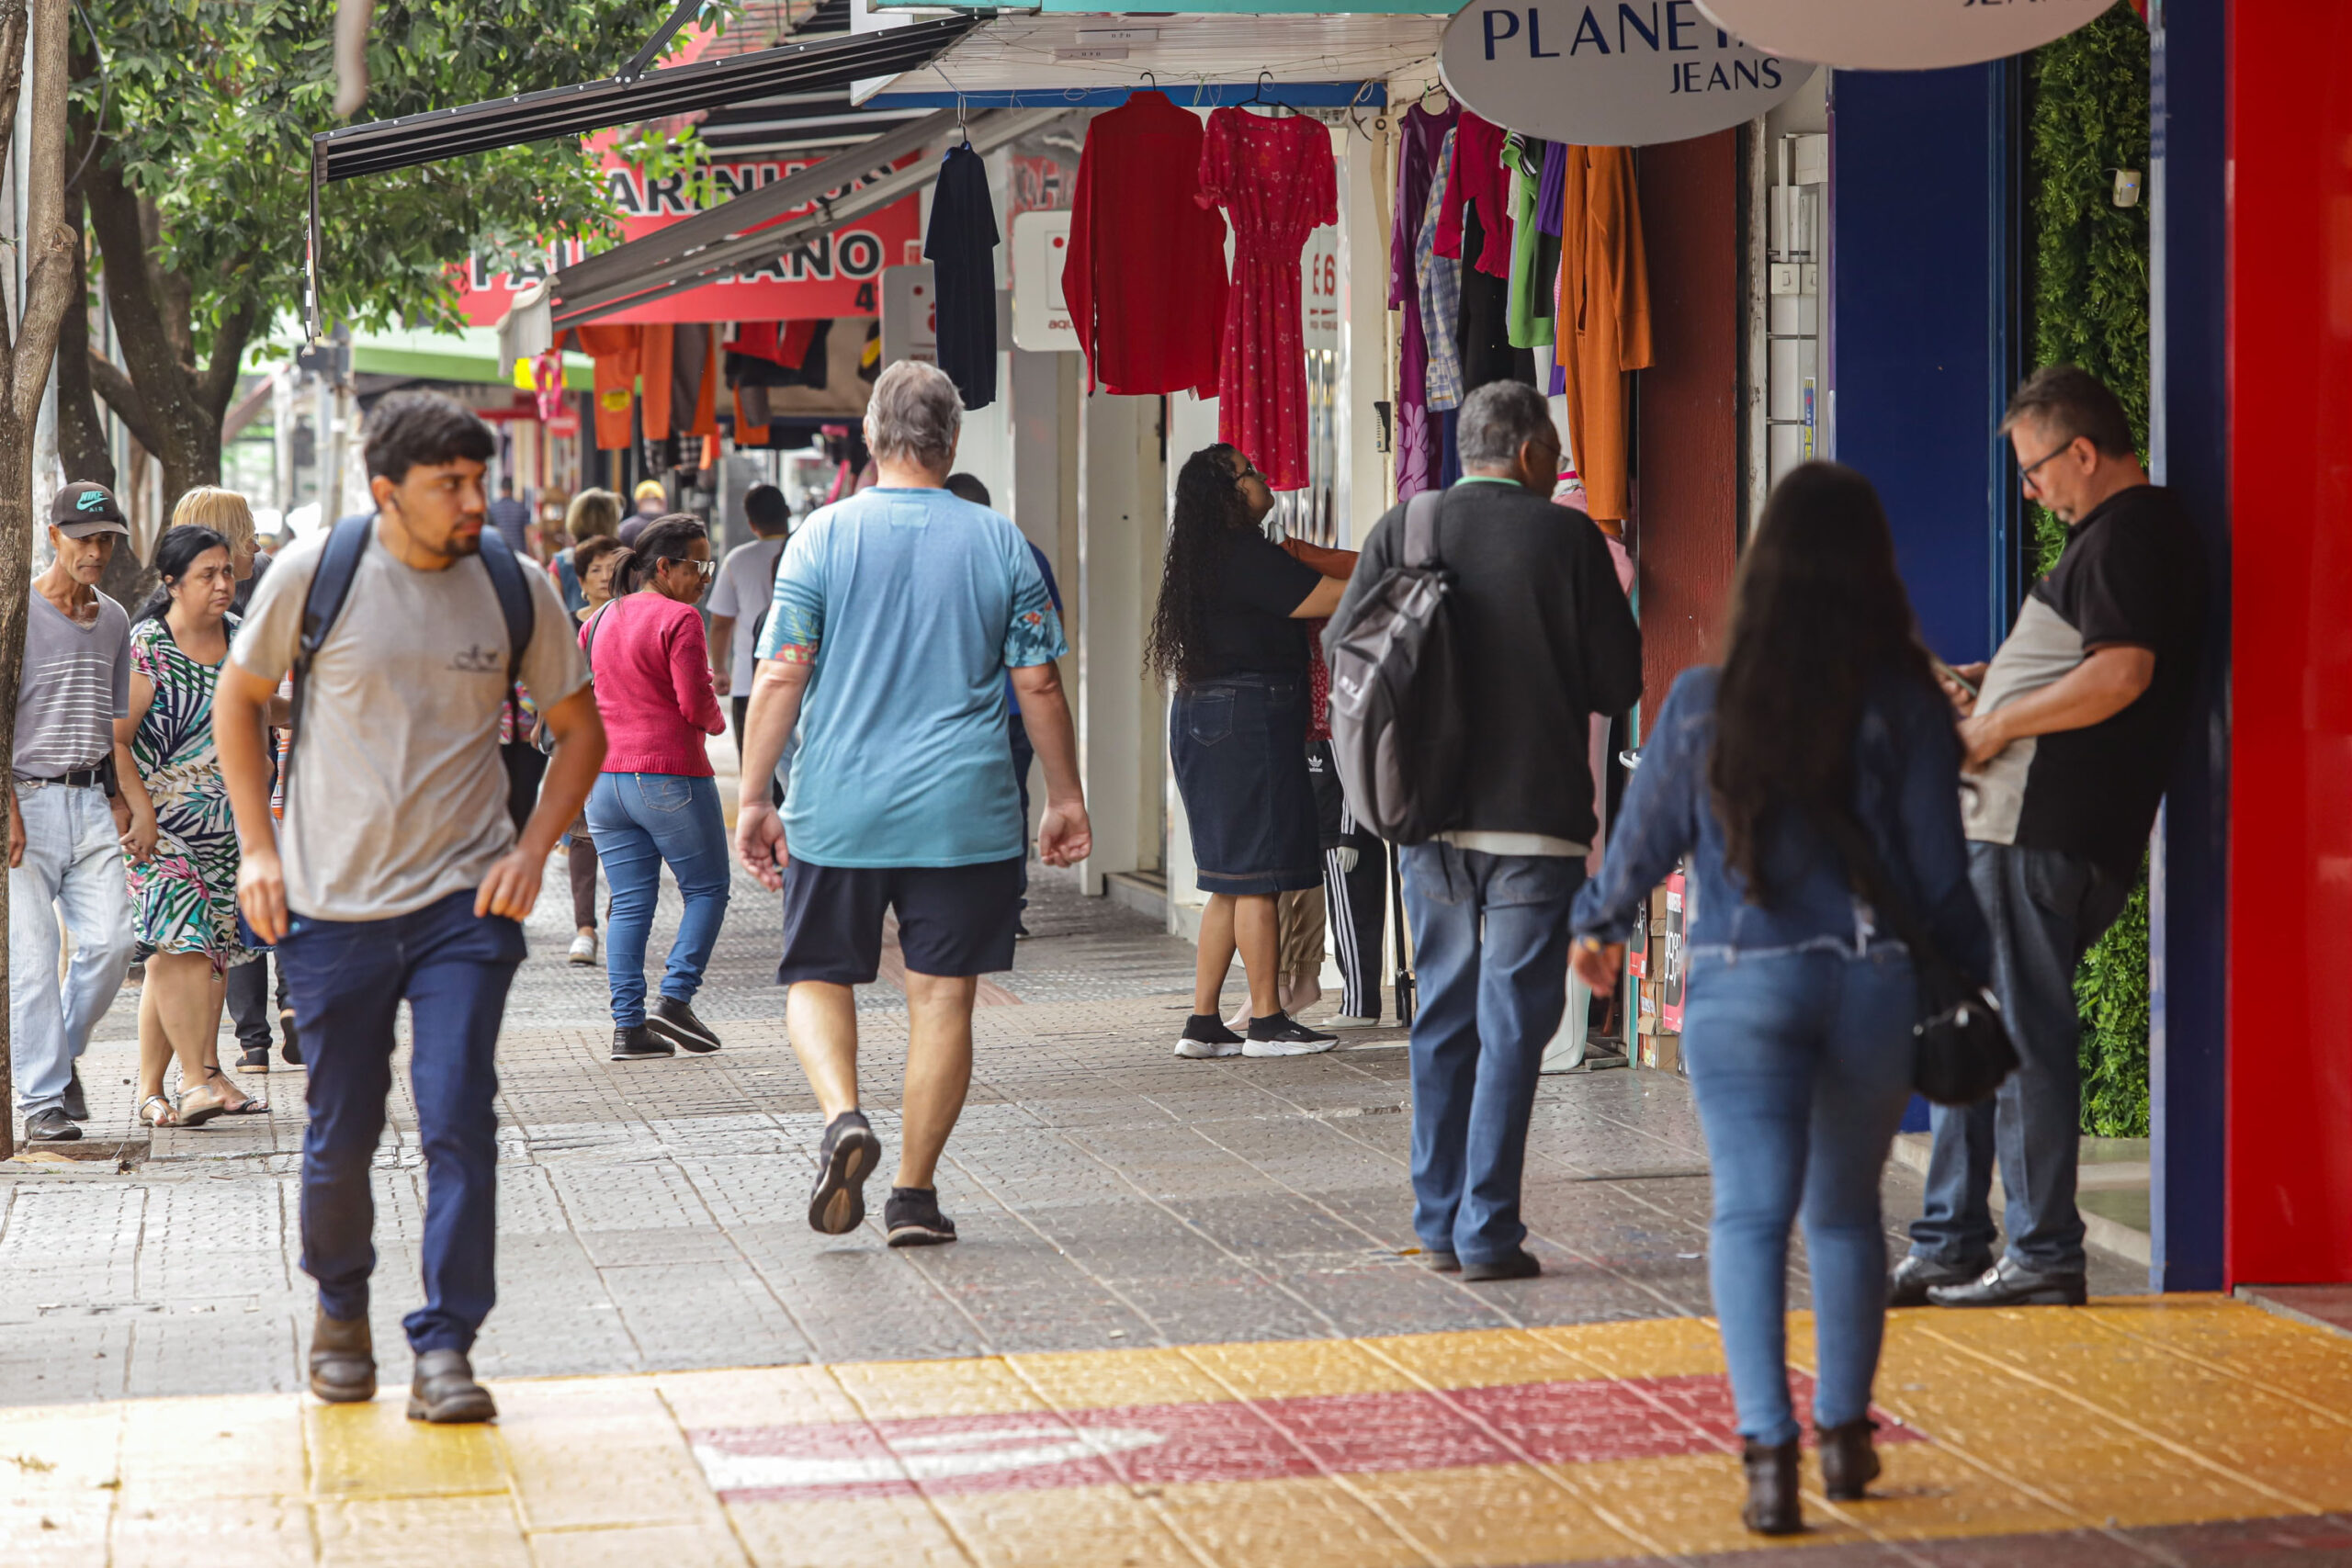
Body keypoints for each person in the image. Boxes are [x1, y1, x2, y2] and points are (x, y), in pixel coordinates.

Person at [1566, 463, 1988, 1535]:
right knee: (1844, 1214)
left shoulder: (1704, 702)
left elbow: (1641, 841)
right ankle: (1844, 1440)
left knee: (1750, 1214)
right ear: (1874, 571)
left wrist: (1598, 926)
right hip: (1869, 984)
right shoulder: (1904, 703)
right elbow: (1942, 880)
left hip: (1740, 984)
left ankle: (1767, 1458)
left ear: (1760, 572)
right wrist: (1976, 980)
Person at [218, 390, 603, 1423]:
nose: (475, 501)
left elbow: (580, 730)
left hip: (462, 908)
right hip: (329, 906)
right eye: (451, 485)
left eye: (480, 480)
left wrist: (532, 848)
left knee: (459, 1116)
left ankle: (446, 1344)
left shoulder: (515, 586)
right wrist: (258, 850)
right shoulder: (317, 573)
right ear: (388, 492)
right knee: (342, 1128)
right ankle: (341, 1308)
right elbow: (238, 702)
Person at [736, 360, 1090, 1249]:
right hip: (962, 812)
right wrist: (1064, 795)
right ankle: (913, 1197)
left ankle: (843, 1116)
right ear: (953, 441)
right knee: (943, 999)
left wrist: (753, 796)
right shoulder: (1001, 542)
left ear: (869, 437)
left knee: (818, 975)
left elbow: (779, 672)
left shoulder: (819, 537)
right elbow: (1039, 683)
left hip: (838, 806)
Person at [1895, 366, 2209, 1311]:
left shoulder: (2126, 532)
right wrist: (1992, 679)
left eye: (2035, 471)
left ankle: (2038, 1251)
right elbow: (2092, 663)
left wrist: (1993, 723)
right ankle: (1951, 1238)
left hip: (2033, 832)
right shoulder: (2126, 540)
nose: (2031, 492)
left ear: (2082, 451)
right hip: (2035, 831)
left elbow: (2120, 674)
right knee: (1979, 1024)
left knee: (2018, 1034)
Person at [1328, 380, 1642, 1282]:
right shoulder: (1568, 539)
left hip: (1427, 816)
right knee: (1511, 1027)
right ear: (1534, 454)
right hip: (1535, 824)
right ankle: (1488, 1231)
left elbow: (1347, 651)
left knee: (1443, 1013)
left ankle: (1437, 1223)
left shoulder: (1408, 527)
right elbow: (1616, 684)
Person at [1150, 445, 1348, 1058]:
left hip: (1203, 714)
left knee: (1229, 878)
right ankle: (1267, 1021)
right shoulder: (1244, 553)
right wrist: (1397, 571)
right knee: (1258, 874)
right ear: (1228, 493)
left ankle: (1204, 1023)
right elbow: (1325, 598)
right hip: (1246, 716)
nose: (1262, 478)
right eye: (1250, 472)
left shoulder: (1205, 555)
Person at [120, 525, 272, 1127]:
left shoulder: (241, 638)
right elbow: (117, 738)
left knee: (203, 953)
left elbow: (258, 715)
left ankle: (157, 1088)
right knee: (180, 937)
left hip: (225, 825)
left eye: (226, 571)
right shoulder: (148, 645)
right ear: (172, 583)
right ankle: (195, 1079)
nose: (222, 583)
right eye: (207, 574)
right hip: (157, 829)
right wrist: (140, 811)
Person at [8, 482, 141, 1144]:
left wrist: (118, 798)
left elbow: (111, 725)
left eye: (106, 540)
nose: (96, 552)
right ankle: (42, 1101)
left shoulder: (113, 619)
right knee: (34, 959)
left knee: (115, 943)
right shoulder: (17, 615)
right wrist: (7, 808)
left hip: (90, 801)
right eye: (85, 539)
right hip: (25, 803)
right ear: (54, 535)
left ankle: (58, 1056)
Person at [582, 515, 731, 1061]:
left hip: (604, 781)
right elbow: (695, 703)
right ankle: (675, 998)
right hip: (669, 776)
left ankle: (629, 1029)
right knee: (708, 889)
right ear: (664, 567)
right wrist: (717, 721)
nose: (706, 578)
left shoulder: (600, 618)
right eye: (699, 566)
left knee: (628, 903)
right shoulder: (681, 618)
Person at [175, 487, 300, 1070]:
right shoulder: (182, 618)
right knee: (245, 894)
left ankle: (258, 1036)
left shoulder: (238, 597)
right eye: (245, 530)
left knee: (248, 890)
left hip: (246, 767)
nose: (254, 543)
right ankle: (275, 1019)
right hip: (211, 782)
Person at [943, 472, 1063, 938]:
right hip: (1016, 709)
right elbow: (1049, 634)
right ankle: (1007, 909)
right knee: (1011, 803)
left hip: (956, 710)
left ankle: (959, 907)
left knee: (956, 804)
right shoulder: (1025, 554)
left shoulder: (939, 556)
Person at [561, 534, 629, 965]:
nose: (604, 577)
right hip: (582, 742)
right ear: (582, 581)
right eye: (595, 570)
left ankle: (618, 918)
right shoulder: (568, 625)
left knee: (625, 836)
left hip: (628, 741)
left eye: (611, 568)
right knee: (583, 837)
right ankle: (585, 929)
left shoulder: (633, 617)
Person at [706, 482, 791, 754]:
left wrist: (720, 669)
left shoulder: (737, 560)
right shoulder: (807, 551)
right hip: (799, 679)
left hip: (749, 681)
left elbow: (721, 624)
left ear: (751, 523)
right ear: (788, 512)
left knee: (754, 764)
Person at [551, 488, 621, 617]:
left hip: (574, 628)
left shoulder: (563, 561)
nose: (605, 577)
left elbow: (553, 612)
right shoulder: (623, 558)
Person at [486, 477, 532, 558]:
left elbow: (489, 533)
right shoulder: (521, 507)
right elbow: (528, 532)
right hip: (520, 554)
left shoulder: (493, 508)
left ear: (501, 489)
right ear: (512, 489)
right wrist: (532, 554)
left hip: (501, 553)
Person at [618, 479, 666, 547]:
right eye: (647, 499)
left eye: (654, 498)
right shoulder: (671, 526)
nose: (650, 503)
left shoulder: (625, 528)